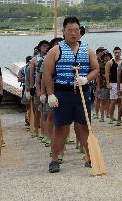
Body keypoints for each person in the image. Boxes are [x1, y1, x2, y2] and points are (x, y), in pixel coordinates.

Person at [42, 16, 99, 174]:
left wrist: (86, 79)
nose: (73, 33)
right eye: (70, 30)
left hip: (82, 93)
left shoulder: (87, 49)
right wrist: (50, 94)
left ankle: (89, 157)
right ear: (64, 31)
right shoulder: (55, 50)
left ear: (80, 31)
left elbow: (96, 69)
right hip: (62, 93)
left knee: (84, 127)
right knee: (60, 128)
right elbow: (47, 73)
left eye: (76, 30)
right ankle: (54, 159)